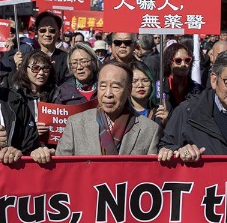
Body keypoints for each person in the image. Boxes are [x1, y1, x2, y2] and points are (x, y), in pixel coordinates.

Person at [31, 61, 162, 162]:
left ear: (128, 90)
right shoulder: (76, 124)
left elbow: (151, 174)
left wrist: (180, 153)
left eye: (116, 87)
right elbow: (62, 167)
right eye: (103, 86)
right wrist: (41, 154)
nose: (108, 94)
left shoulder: (149, 129)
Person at [7, 50, 59, 139]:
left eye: (46, 68)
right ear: (25, 69)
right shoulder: (15, 95)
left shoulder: (56, 94)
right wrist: (31, 130)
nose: (41, 73)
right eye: (35, 68)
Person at [160, 42, 203, 121]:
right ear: (169, 62)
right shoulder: (159, 88)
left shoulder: (197, 90)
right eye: (178, 60)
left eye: (187, 60)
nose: (184, 64)